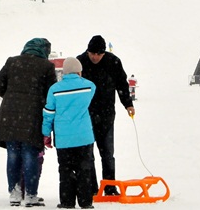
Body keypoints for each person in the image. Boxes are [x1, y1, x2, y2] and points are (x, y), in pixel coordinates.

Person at [0, 38, 57, 207]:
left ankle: (14, 194)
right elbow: (51, 94)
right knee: (30, 155)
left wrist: (11, 97)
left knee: (13, 155)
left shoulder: (12, 62)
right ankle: (30, 195)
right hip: (33, 117)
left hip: (10, 114)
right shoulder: (46, 66)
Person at [76, 35, 134, 197]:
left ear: (104, 53)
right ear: (87, 51)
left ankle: (109, 187)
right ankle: (92, 188)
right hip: (85, 116)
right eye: (92, 53)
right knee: (88, 154)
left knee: (107, 153)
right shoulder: (79, 62)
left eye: (99, 54)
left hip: (107, 115)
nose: (95, 57)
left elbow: (122, 84)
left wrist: (128, 104)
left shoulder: (113, 62)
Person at [42, 57, 96, 209]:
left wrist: (46, 134)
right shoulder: (89, 86)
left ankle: (67, 202)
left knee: (65, 170)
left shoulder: (54, 89)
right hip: (84, 136)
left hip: (63, 138)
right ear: (79, 71)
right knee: (84, 169)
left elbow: (48, 114)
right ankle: (86, 202)